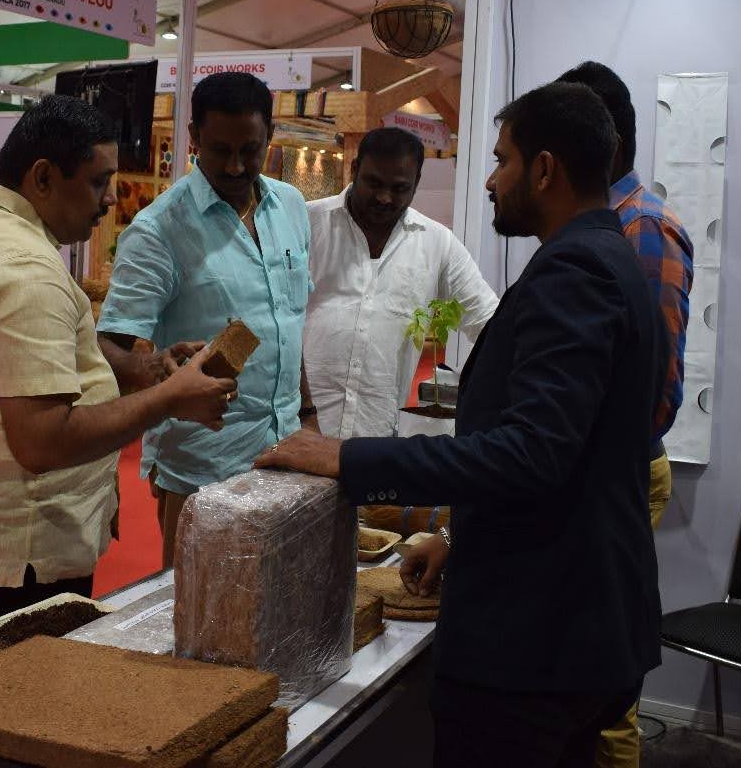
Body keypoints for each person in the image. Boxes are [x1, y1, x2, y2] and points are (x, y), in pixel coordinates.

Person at [256, 82, 664, 768]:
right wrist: (453, 533)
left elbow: (531, 453)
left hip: (540, 638)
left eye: (501, 159)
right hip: (572, 623)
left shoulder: (577, 272)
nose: (487, 178)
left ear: (543, 169)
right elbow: (567, 458)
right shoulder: (602, 257)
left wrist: (349, 459)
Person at [0, 96, 236, 630]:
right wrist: (168, 399)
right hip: (23, 550)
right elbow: (42, 439)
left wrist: (137, 372)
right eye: (97, 181)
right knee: (27, 696)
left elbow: (10, 373)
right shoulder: (27, 272)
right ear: (42, 178)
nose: (111, 198)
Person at [97, 71, 314, 569]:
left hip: (286, 454)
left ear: (270, 137)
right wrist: (155, 373)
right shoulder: (159, 230)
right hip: (203, 469)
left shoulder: (292, 208)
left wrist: (306, 412)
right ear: (192, 136)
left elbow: (288, 317)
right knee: (201, 626)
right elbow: (107, 346)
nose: (237, 166)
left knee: (283, 611)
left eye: (250, 149)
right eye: (219, 150)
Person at [556, 61, 694, 768]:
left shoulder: (641, 230)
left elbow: (655, 391)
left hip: (617, 475)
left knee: (603, 686)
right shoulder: (602, 225)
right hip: (592, 474)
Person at [305, 126, 497, 440]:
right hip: (300, 432)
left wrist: (478, 401)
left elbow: (490, 325)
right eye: (374, 183)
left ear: (417, 183)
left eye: (399, 188)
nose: (384, 197)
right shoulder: (307, 224)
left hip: (377, 445)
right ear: (354, 169)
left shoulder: (437, 243)